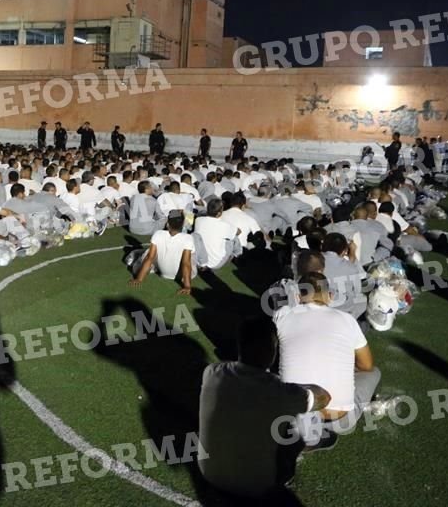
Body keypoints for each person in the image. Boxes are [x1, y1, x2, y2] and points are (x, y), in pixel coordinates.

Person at [198, 318, 330, 498]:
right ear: (272, 351)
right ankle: (286, 475)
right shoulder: (280, 392)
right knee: (298, 424)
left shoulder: (212, 371)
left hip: (209, 473)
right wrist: (299, 387)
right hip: (256, 487)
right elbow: (324, 398)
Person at [275, 272, 380, 442]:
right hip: (338, 419)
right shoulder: (348, 320)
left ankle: (301, 432)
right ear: (330, 296)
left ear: (297, 296)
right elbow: (366, 366)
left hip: (290, 414)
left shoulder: (283, 314)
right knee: (374, 372)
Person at [127, 211, 195, 295]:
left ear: (167, 224)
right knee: (192, 252)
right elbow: (186, 263)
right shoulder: (188, 238)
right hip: (181, 276)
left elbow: (150, 258)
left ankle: (136, 256)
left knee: (149, 252)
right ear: (182, 224)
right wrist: (187, 286)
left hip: (163, 272)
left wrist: (139, 279)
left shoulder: (158, 234)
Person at [193, 198, 240, 271]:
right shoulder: (224, 225)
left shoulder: (198, 220)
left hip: (198, 260)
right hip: (215, 263)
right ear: (219, 213)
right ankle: (237, 254)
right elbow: (239, 232)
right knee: (234, 238)